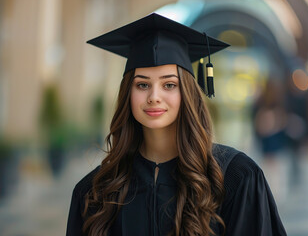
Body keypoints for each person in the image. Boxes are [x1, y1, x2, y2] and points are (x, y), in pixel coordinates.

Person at [66, 13, 287, 236]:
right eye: (142, 85)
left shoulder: (235, 178)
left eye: (169, 85)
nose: (154, 96)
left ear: (187, 94)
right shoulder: (95, 191)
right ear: (127, 94)